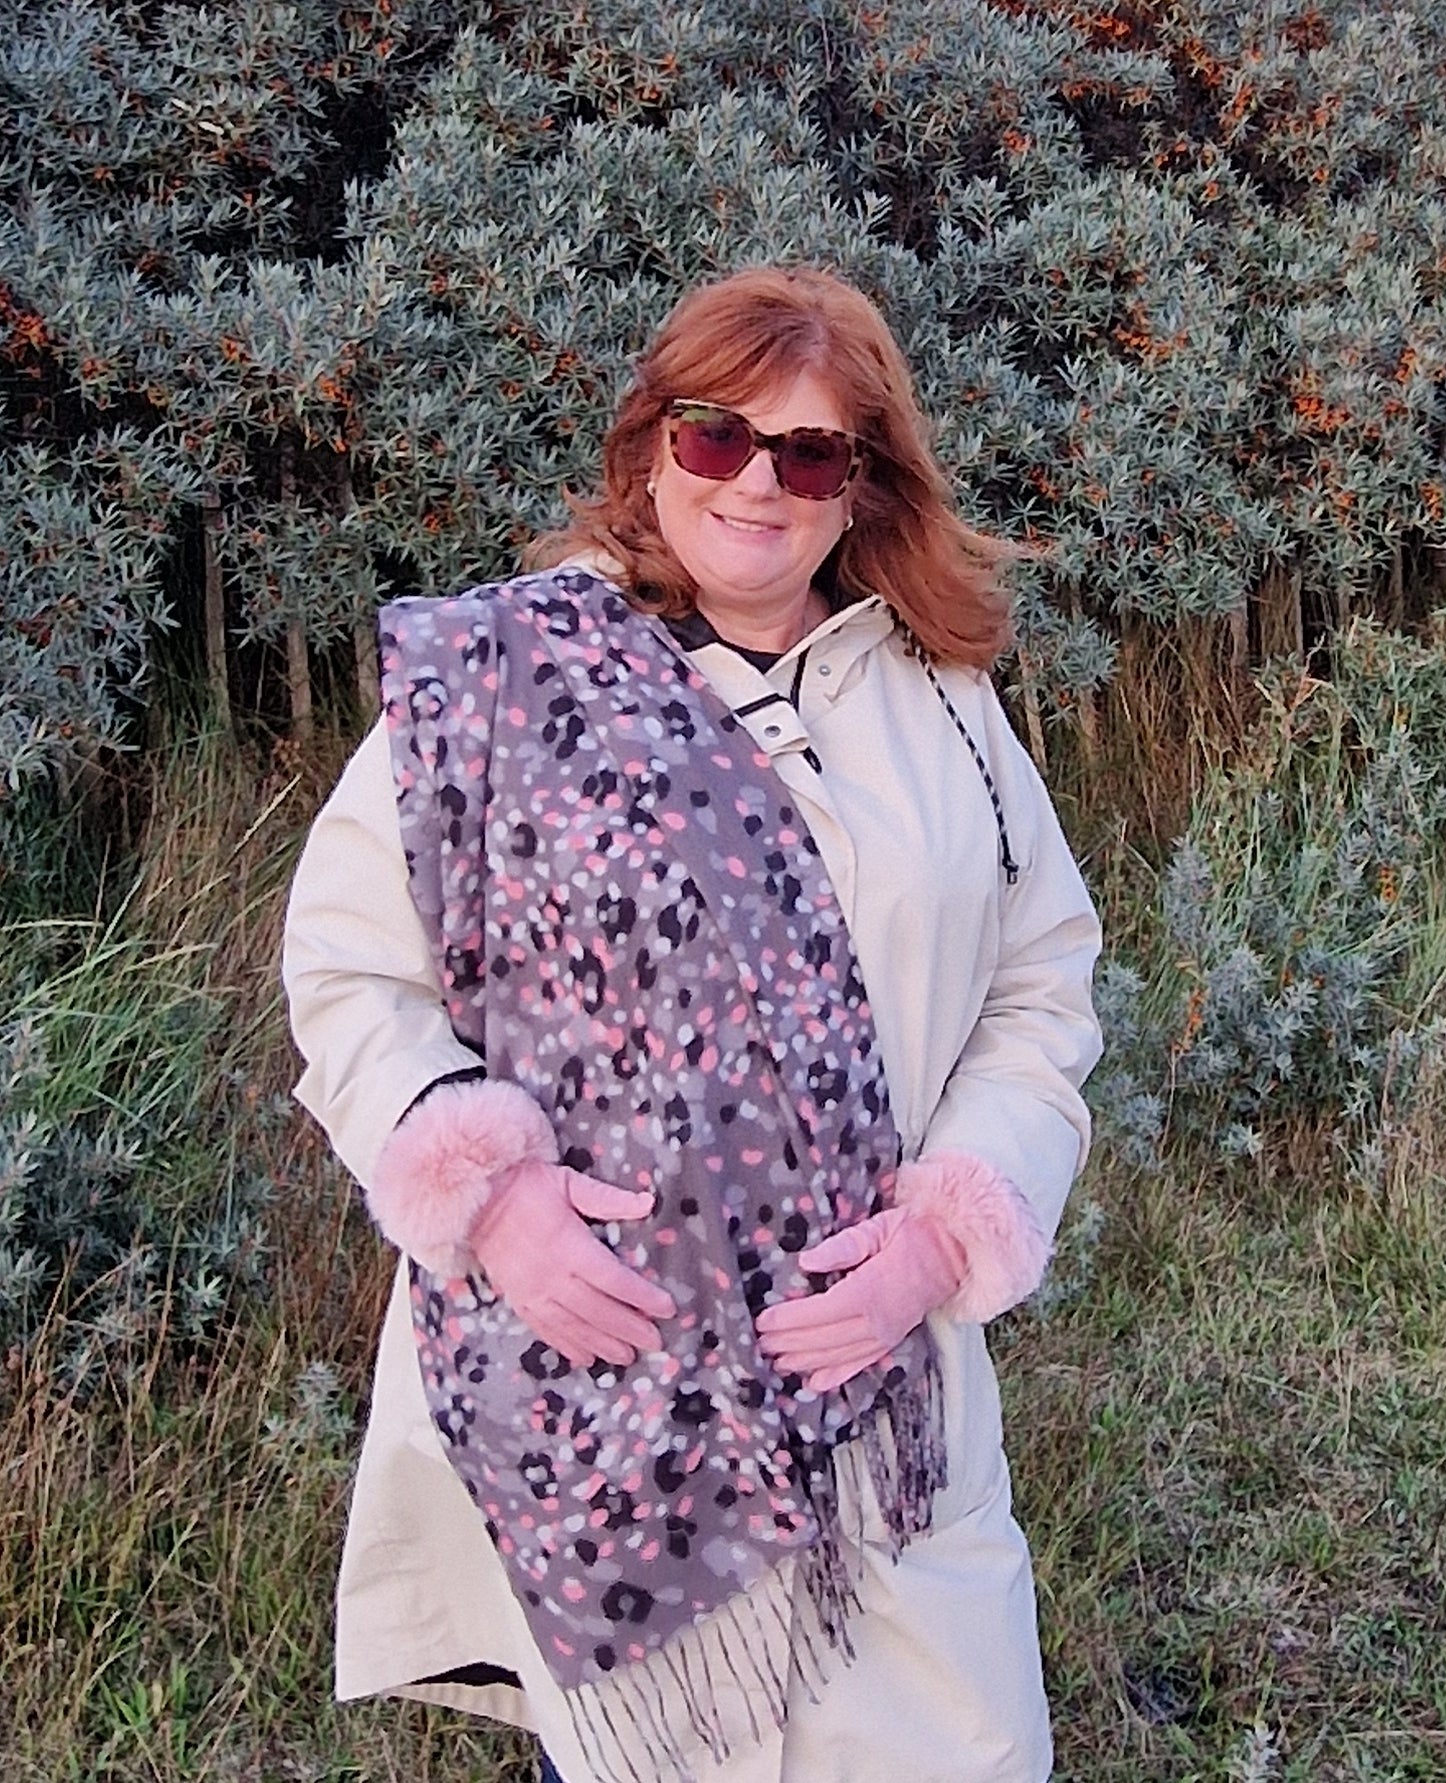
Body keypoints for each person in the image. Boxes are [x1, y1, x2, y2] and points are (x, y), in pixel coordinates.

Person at [282, 264, 1102, 1783]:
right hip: (607, 1385)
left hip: (869, 1367)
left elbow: (1039, 986)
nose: (758, 485)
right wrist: (491, 1195)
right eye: (719, 436)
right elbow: (348, 975)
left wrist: (949, 1227)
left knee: (944, 1737)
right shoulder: (494, 683)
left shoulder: (938, 701)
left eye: (808, 453)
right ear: (651, 444)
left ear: (857, 488)